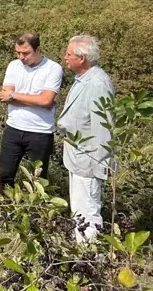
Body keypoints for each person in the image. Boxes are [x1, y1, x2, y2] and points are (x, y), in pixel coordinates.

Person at [58, 35, 114, 244]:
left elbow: (104, 127)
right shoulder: (85, 79)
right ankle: (84, 257)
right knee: (80, 210)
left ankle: (91, 261)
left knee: (87, 211)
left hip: (89, 159)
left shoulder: (97, 83)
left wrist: (99, 164)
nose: (65, 57)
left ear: (82, 58)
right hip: (79, 157)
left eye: (69, 54)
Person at [0, 33, 64, 193]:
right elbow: (4, 96)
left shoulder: (53, 68)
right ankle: (6, 212)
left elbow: (46, 100)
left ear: (38, 50)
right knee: (5, 175)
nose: (21, 57)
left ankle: (37, 216)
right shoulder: (13, 66)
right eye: (18, 52)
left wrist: (14, 96)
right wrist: (38, 100)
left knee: (38, 180)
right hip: (13, 128)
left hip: (40, 132)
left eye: (25, 53)